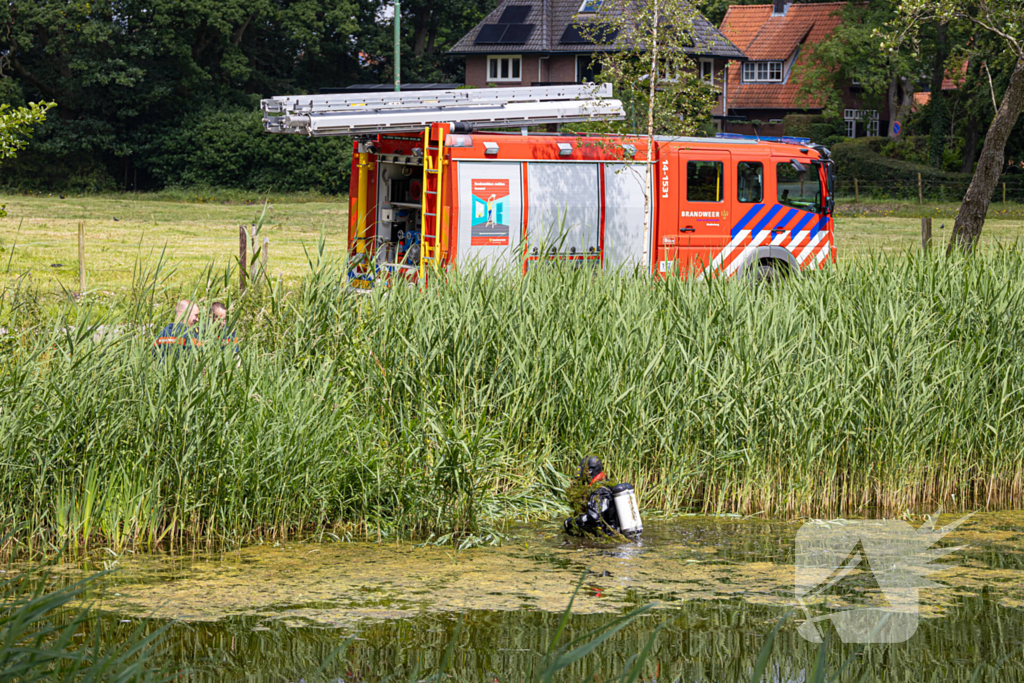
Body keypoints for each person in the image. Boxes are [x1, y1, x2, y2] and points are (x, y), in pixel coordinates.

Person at [564, 456, 638, 538]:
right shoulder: (607, 484)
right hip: (616, 531)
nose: (580, 473)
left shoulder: (599, 490)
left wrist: (574, 521)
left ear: (589, 471)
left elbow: (594, 517)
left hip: (609, 535)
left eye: (582, 469)